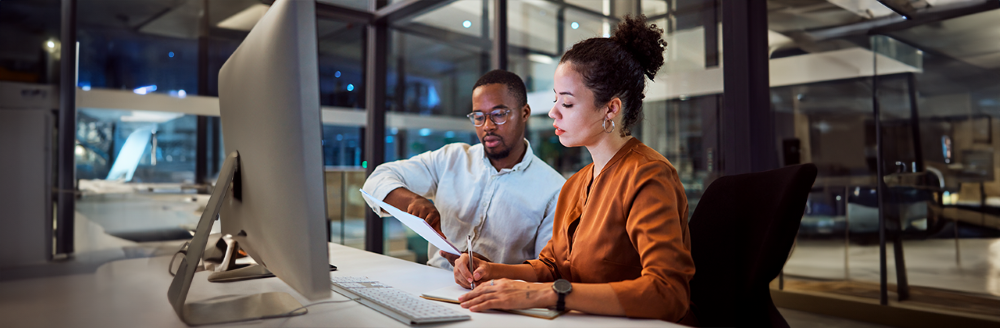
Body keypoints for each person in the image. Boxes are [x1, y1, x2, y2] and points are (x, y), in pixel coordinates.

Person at [452, 15, 697, 323]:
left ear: (611, 108)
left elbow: (667, 293)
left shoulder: (649, 176)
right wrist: (490, 270)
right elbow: (553, 267)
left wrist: (547, 295)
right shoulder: (576, 184)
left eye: (566, 103)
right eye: (556, 100)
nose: (553, 111)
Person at [362, 70, 566, 270]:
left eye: (498, 114)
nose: (487, 126)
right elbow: (376, 180)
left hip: (499, 295)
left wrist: (491, 270)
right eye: (478, 116)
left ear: (524, 113)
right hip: (432, 282)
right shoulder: (451, 158)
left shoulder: (555, 190)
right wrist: (412, 201)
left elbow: (547, 270)